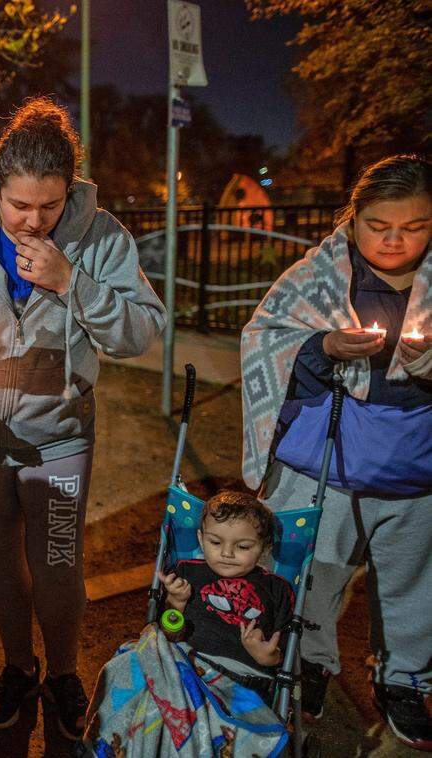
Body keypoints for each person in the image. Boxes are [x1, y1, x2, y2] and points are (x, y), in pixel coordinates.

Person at [0, 96, 165, 737]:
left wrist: (71, 283)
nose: (32, 222)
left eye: (49, 207)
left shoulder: (103, 237)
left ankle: (61, 674)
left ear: (69, 192)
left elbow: (142, 333)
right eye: (18, 205)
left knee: (57, 559)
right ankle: (17, 668)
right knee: (1, 555)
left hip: (59, 433)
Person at [241, 154, 431, 751]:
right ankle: (309, 661)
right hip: (326, 460)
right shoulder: (315, 277)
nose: (396, 240)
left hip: (419, 465)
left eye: (416, 226)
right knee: (316, 571)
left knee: (414, 579)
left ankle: (403, 679)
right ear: (353, 220)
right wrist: (321, 345)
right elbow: (264, 337)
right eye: (379, 226)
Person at [155, 492, 294, 705]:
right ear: (201, 540)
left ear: (265, 548)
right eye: (216, 542)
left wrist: (267, 656)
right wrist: (176, 602)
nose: (227, 553)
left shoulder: (277, 589)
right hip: (186, 666)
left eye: (243, 547)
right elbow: (166, 633)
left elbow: (283, 648)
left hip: (243, 680)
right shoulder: (186, 573)